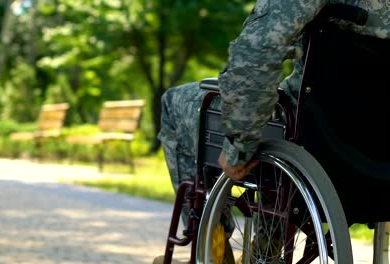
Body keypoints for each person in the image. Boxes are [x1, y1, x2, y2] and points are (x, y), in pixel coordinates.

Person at [155, 0, 390, 263]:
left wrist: (238, 147)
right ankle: (265, 245)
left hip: (315, 141)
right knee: (275, 119)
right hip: (378, 160)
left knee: (175, 102)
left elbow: (256, 55)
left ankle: (216, 252)